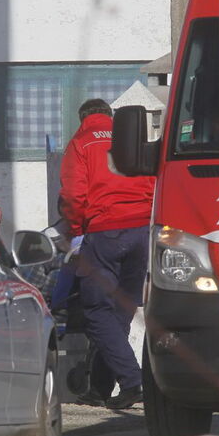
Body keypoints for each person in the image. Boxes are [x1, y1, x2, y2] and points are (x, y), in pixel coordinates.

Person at [59, 98, 155, 409]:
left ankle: (133, 381)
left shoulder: (81, 143)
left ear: (82, 118)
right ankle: (100, 388)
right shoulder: (132, 139)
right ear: (109, 116)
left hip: (105, 231)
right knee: (120, 311)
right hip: (142, 230)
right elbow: (155, 181)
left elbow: (73, 195)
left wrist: (75, 232)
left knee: (98, 312)